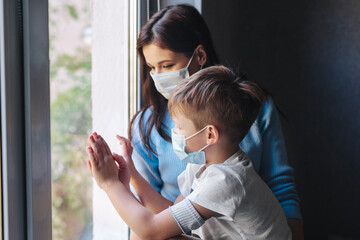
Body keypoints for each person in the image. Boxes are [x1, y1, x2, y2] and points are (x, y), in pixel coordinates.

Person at [128, 3, 303, 239]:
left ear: (199, 55)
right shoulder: (148, 127)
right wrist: (125, 172)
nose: (159, 77)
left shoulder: (250, 109)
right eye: (152, 67)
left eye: (167, 65)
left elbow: (280, 184)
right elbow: (159, 215)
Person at [86, 66, 292, 239]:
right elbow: (168, 212)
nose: (174, 133)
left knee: (144, 235)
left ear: (210, 134)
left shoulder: (227, 181)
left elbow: (151, 230)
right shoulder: (205, 162)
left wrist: (109, 184)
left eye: (179, 127)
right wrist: (131, 176)